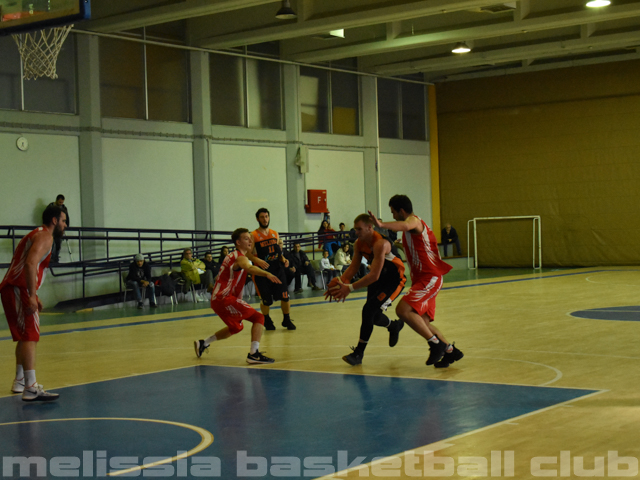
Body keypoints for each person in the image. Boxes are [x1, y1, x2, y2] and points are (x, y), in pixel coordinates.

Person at [370, 195, 464, 368]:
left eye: (393, 212)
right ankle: (451, 351)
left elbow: (406, 225)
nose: (393, 216)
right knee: (423, 323)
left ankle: (435, 344)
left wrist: (381, 225)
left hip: (430, 277)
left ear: (402, 211)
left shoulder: (414, 221)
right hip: (425, 279)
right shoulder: (409, 230)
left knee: (402, 310)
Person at [0, 204, 66, 401]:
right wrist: (31, 294)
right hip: (19, 287)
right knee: (30, 335)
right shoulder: (45, 236)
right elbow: (30, 264)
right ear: (54, 220)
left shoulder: (34, 234)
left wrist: (33, 294)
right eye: (63, 221)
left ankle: (20, 381)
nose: (65, 225)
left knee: (24, 336)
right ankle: (30, 387)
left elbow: (26, 263)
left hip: (12, 287)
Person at [325, 214, 406, 366]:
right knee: (373, 316)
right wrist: (341, 282)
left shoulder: (381, 243)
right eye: (355, 229)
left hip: (393, 281)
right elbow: (354, 267)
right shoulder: (358, 243)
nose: (356, 232)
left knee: (368, 311)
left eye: (359, 229)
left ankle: (358, 353)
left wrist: (349, 288)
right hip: (377, 279)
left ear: (370, 227)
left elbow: (374, 275)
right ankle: (394, 326)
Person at [194, 228, 280, 364]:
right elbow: (249, 267)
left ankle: (204, 343)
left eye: (250, 238)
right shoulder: (239, 257)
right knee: (259, 318)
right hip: (224, 298)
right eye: (246, 238)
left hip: (218, 300)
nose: (250, 240)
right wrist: (267, 274)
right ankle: (254, 354)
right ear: (238, 242)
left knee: (236, 327)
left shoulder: (233, 256)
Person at [251, 208, 296, 330]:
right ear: (257, 219)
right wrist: (257, 260)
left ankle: (286, 319)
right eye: (262, 217)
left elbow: (278, 252)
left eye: (266, 216)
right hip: (262, 272)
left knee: (285, 296)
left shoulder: (274, 233)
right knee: (266, 300)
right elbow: (247, 253)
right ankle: (267, 319)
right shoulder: (253, 235)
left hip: (277, 269)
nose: (265, 219)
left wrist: (283, 259)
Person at [47, 194, 69, 263]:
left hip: (59, 229)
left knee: (58, 243)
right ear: (56, 200)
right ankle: (51, 257)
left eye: (62, 202)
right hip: (52, 228)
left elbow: (67, 218)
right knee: (51, 243)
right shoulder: (51, 207)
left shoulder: (64, 208)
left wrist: (66, 226)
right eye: (60, 202)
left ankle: (56, 257)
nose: (61, 204)